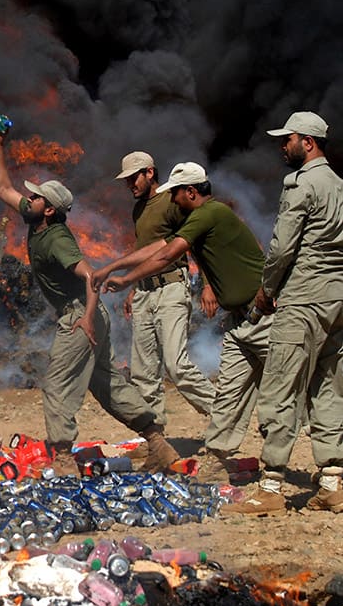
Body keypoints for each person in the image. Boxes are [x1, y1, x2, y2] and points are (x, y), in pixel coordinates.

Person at [0, 128, 180, 474]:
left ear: (48, 210)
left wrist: (88, 319)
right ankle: (158, 444)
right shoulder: (37, 221)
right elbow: (3, 187)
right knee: (107, 385)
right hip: (90, 317)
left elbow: (91, 276)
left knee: (57, 383)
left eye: (34, 198)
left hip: (81, 316)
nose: (27, 200)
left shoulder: (57, 239)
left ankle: (62, 456)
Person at [95, 162, 270, 483]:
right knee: (148, 372)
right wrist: (125, 276)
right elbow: (158, 247)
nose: (173, 199)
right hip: (212, 310)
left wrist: (124, 276)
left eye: (176, 193)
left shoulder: (201, 211)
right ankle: (165, 444)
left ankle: (300, 462)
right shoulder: (158, 211)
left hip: (243, 309)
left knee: (180, 366)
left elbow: (171, 252)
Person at [224, 111, 343, 515]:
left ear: (307, 142)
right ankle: (332, 481)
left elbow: (282, 247)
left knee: (280, 387)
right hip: (336, 300)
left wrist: (267, 290)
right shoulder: (339, 185)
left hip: (304, 298)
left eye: (287, 139)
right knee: (328, 386)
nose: (282, 146)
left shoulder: (301, 183)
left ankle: (271, 486)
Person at [112, 152, 216, 423]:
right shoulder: (138, 209)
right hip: (145, 293)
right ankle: (155, 439)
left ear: (149, 173)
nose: (130, 185)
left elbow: (194, 243)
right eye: (127, 180)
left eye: (134, 178)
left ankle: (223, 416)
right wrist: (135, 287)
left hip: (171, 288)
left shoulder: (172, 201)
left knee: (176, 365)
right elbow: (145, 251)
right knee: (143, 372)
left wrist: (207, 285)